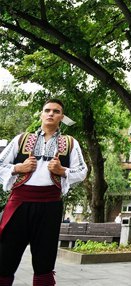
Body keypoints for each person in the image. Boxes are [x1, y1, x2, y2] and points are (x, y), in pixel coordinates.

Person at [0, 99, 88, 286]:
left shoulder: (70, 143)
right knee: (5, 256)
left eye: (56, 111)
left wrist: (62, 171)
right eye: (47, 110)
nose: (51, 114)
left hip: (50, 205)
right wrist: (18, 167)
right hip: (20, 203)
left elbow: (82, 171)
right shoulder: (22, 139)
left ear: (61, 117)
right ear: (41, 114)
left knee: (44, 260)